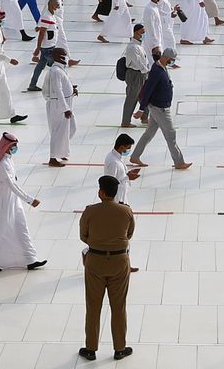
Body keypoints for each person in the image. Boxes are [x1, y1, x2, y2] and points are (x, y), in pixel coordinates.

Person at [80, 173, 136, 361]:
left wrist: (99, 242)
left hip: (95, 261)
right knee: (118, 306)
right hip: (120, 262)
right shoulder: (126, 211)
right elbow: (129, 234)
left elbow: (83, 236)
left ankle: (91, 349)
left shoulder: (90, 211)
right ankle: (120, 348)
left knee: (93, 306)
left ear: (101, 192)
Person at [0, 133, 45, 272]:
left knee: (21, 227)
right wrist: (30, 200)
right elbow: (12, 185)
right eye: (13, 146)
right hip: (3, 202)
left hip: (13, 201)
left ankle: (30, 259)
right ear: (6, 146)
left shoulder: (8, 159)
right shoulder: (3, 164)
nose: (15, 148)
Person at [129, 50, 191, 171]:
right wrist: (141, 109)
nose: (172, 62)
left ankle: (135, 156)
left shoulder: (161, 67)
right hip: (160, 109)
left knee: (149, 134)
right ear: (166, 57)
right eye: (171, 60)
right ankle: (179, 162)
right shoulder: (157, 71)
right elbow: (147, 90)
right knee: (170, 134)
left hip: (158, 107)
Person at [42, 45, 76, 167]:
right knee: (58, 131)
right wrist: (65, 108)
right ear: (59, 57)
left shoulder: (60, 69)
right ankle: (53, 158)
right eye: (65, 55)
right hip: (59, 105)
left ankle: (61, 149)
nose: (67, 57)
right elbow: (58, 90)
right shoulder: (55, 71)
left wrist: (73, 90)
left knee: (71, 128)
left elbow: (64, 85)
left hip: (65, 103)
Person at [103, 133, 139, 203]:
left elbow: (119, 175)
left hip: (122, 196)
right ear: (122, 147)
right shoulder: (113, 162)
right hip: (117, 199)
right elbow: (111, 182)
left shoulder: (116, 157)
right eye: (128, 148)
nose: (128, 150)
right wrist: (128, 177)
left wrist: (128, 174)